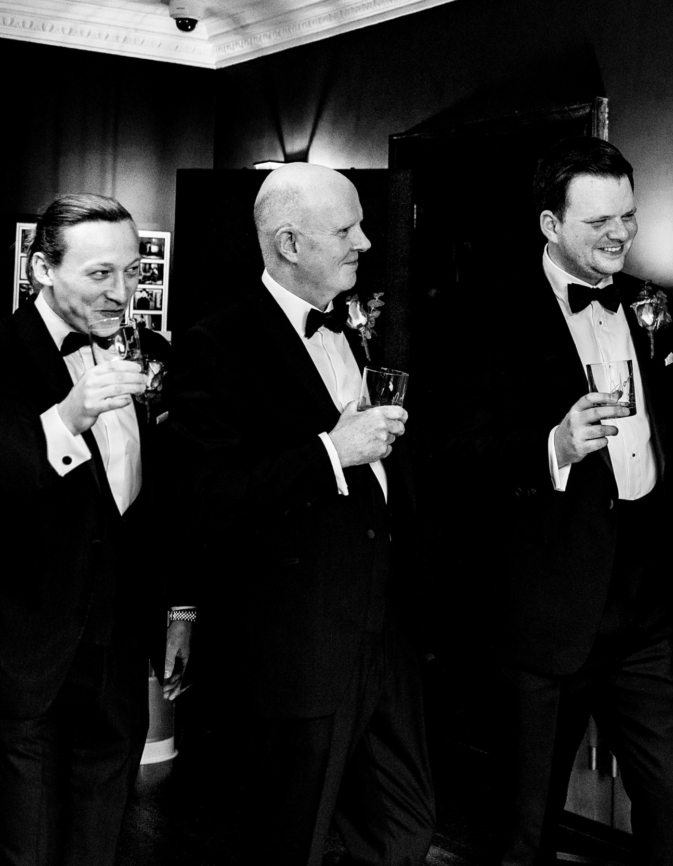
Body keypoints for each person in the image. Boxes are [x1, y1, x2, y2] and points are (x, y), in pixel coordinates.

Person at [436, 137, 673, 866]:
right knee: (521, 828)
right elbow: (451, 454)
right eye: (599, 223)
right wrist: (553, 444)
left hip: (649, 612)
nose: (621, 233)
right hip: (540, 618)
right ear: (550, 226)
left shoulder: (655, 306)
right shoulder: (482, 313)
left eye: (628, 215)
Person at [168, 163, 434, 866]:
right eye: (346, 229)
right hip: (297, 649)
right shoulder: (219, 344)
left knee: (405, 830)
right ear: (289, 242)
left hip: (386, 639)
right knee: (289, 841)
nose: (367, 243)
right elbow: (206, 495)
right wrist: (329, 451)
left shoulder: (354, 327)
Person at [0, 193, 192, 866]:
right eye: (99, 274)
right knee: (24, 845)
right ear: (41, 269)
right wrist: (68, 418)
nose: (122, 292)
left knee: (99, 842)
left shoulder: (145, 352)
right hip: (26, 655)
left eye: (132, 272)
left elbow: (147, 506)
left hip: (118, 655)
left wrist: (175, 610)